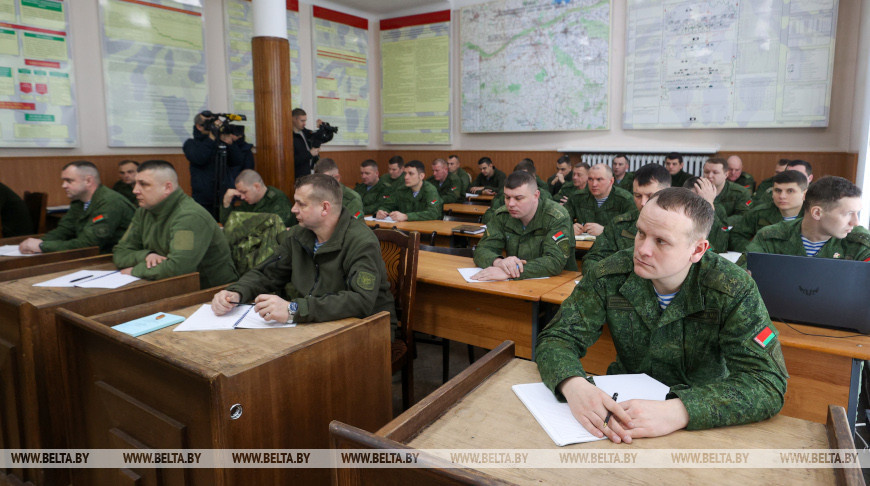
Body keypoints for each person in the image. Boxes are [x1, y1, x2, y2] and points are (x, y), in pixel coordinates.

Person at [536, 188, 788, 443]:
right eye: (641, 233)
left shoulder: (732, 288)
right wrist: (573, 384)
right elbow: (557, 337)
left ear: (697, 250)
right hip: (621, 411)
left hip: (703, 419)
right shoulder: (610, 274)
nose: (642, 249)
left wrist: (680, 410)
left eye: (661, 241)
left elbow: (767, 382)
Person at [211, 174, 396, 325]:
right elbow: (268, 273)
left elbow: (360, 300)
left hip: (366, 327)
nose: (293, 209)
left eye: (301, 204)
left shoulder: (361, 241)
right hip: (316, 322)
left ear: (325, 208)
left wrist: (294, 309)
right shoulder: (298, 235)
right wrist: (236, 292)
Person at [113, 160, 238, 289]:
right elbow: (120, 253)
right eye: (135, 184)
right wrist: (146, 255)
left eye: (143, 184)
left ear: (167, 187)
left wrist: (135, 270)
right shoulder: (144, 211)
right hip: (169, 285)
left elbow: (178, 268)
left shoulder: (189, 216)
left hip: (212, 293)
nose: (135, 190)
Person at [472, 171, 575, 280]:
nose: (510, 204)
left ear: (536, 196)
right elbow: (481, 250)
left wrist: (512, 272)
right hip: (517, 285)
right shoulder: (502, 215)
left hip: (559, 283)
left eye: (518, 198)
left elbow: (554, 262)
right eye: (507, 197)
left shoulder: (556, 217)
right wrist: (499, 262)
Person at [741, 176, 870, 263]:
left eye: (857, 213)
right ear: (817, 213)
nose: (855, 222)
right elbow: (741, 280)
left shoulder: (860, 243)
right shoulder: (770, 237)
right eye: (848, 213)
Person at [19, 161, 135, 254]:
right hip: (95, 255)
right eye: (63, 181)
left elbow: (89, 244)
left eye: (69, 181)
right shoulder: (80, 200)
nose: (63, 185)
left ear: (88, 181)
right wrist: (40, 242)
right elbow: (64, 230)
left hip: (114, 257)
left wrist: (42, 246)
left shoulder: (110, 202)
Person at [581, 163, 671, 275]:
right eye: (637, 196)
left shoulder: (678, 227)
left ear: (667, 193)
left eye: (650, 196)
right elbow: (591, 259)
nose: (643, 203)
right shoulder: (620, 224)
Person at [183, 111, 254, 218]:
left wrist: (229, 143)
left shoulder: (221, 142)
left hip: (224, 196)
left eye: (214, 123)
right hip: (203, 199)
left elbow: (237, 161)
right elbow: (200, 158)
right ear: (199, 126)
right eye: (209, 123)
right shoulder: (191, 144)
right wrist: (211, 138)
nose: (213, 126)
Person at [729, 171, 807, 252]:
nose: (782, 196)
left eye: (790, 191)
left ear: (804, 194)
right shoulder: (759, 213)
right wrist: (756, 251)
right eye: (778, 190)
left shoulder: (813, 217)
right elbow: (736, 236)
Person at [564, 163, 633, 236]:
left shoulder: (625, 199)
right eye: (590, 179)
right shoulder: (577, 197)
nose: (594, 184)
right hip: (582, 245)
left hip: (612, 246)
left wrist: (606, 231)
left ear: (611, 181)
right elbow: (560, 221)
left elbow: (632, 233)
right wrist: (570, 228)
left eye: (599, 179)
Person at [219, 169, 294, 227]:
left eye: (244, 192)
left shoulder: (277, 199)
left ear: (257, 186)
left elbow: (275, 229)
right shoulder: (249, 201)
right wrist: (226, 203)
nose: (242, 197)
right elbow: (228, 224)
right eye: (240, 193)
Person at [375, 160, 443, 221]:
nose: (406, 177)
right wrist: (381, 211)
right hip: (405, 228)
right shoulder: (402, 190)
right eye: (405, 174)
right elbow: (387, 205)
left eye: (411, 174)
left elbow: (433, 213)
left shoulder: (430, 190)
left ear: (421, 176)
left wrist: (406, 216)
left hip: (426, 230)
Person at [682, 176, 732, 253]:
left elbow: (721, 246)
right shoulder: (678, 209)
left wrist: (709, 206)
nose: (697, 203)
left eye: (702, 199)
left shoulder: (718, 209)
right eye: (694, 198)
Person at [702, 157, 752, 224]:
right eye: (707, 172)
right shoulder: (696, 189)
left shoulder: (741, 192)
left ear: (726, 174)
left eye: (715, 172)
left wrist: (721, 224)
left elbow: (743, 216)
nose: (710, 176)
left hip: (729, 229)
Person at [291, 108, 333, 179]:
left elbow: (324, 138)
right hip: (299, 176)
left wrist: (323, 126)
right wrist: (310, 154)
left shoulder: (304, 132)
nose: (305, 123)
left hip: (311, 172)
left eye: (305, 120)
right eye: (302, 121)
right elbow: (292, 161)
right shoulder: (288, 138)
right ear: (294, 119)